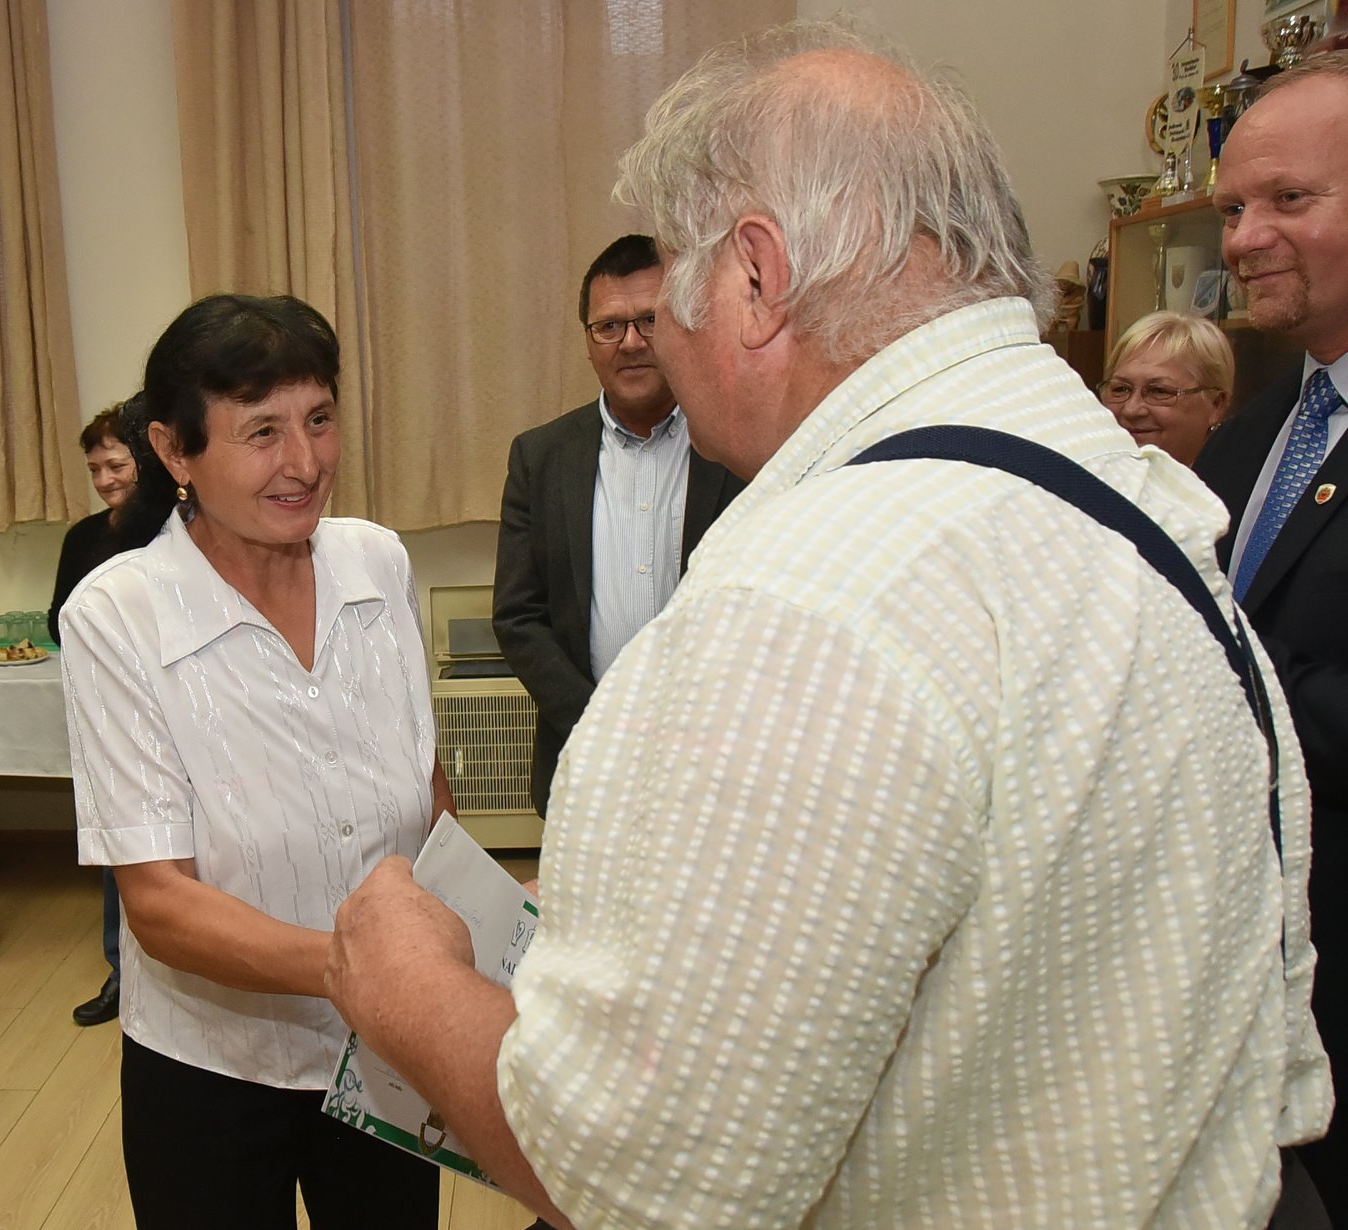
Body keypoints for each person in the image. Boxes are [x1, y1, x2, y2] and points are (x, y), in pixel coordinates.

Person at [325, 24, 1327, 1229]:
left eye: (674, 285)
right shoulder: (1117, 487)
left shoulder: (811, 595)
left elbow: (645, 1185)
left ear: (755, 275)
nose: (664, 340)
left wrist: (409, 985)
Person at [57, 294, 451, 1228]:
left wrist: (473, 947)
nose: (305, 463)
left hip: (387, 1052)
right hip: (213, 1070)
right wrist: (361, 969)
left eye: (320, 419)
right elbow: (160, 901)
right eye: (262, 431)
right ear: (175, 451)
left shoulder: (378, 563)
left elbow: (427, 787)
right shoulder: (117, 616)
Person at [1201, 49, 1348, 1222]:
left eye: (1288, 199)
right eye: (1232, 208)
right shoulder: (1254, 435)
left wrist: (1213, 665)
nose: (1244, 239)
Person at [493, 234, 745, 815]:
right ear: (588, 342)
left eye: (650, 320)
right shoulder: (541, 456)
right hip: (584, 759)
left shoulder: (740, 447)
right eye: (609, 326)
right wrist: (600, 723)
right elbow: (518, 615)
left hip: (715, 763)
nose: (630, 342)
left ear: (684, 326)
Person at [49, 399, 144, 1028]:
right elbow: (59, 620)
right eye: (95, 470)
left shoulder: (177, 528)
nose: (106, 480)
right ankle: (123, 971)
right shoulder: (83, 537)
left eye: (116, 465)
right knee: (123, 840)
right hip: (110, 709)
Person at [1099, 310, 1233, 466]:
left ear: (1216, 405)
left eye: (1159, 391)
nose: (1131, 410)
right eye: (1121, 389)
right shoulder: (1085, 476)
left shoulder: (1241, 480)